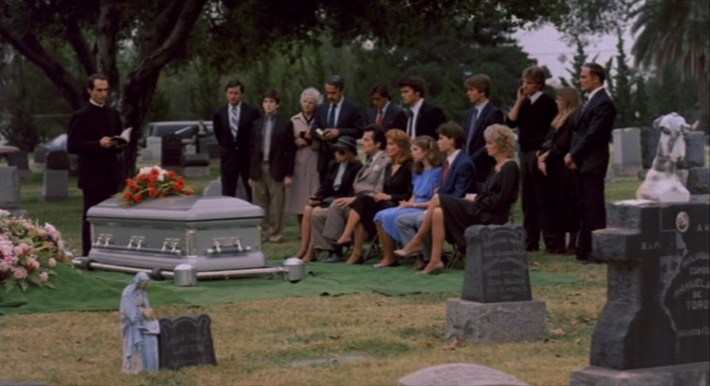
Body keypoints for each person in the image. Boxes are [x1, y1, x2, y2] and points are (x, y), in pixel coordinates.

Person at [396, 124, 520, 275]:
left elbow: (500, 201)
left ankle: (417, 241)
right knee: (437, 213)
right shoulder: (495, 167)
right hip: (480, 208)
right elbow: (490, 195)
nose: (486, 147)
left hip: (490, 215)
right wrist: (477, 198)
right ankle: (435, 261)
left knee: (437, 198)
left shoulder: (510, 167)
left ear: (501, 145)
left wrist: (476, 198)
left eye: (490, 143)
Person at [395, 122, 476, 270]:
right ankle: (423, 254)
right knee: (402, 220)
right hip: (439, 205)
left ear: (451, 140)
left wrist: (437, 200)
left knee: (422, 218)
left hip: (456, 209)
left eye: (441, 138)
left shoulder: (464, 163)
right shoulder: (448, 162)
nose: (438, 142)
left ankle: (426, 253)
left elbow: (459, 194)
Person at [311, 125, 391, 263]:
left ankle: (337, 248)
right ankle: (328, 248)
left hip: (370, 203)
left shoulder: (385, 161)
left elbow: (379, 188)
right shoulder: (369, 160)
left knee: (337, 205)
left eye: (367, 140)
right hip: (357, 200)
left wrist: (354, 198)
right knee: (317, 214)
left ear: (378, 143)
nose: (363, 143)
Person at [564, 62, 617, 264]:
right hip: (582, 163)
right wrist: (573, 156)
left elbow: (593, 135)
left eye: (584, 77)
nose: (580, 80)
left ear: (596, 78)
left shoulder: (604, 103)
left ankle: (597, 251)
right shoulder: (589, 102)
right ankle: (584, 250)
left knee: (593, 207)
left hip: (592, 163)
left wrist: (574, 155)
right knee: (585, 206)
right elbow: (578, 131)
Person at [67, 74, 125, 257]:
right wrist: (97, 144)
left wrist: (119, 144)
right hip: (92, 174)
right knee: (91, 216)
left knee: (111, 215)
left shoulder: (112, 113)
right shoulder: (81, 115)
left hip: (110, 172)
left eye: (106, 90)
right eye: (99, 90)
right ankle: (89, 253)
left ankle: (109, 251)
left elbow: (119, 140)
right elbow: (72, 145)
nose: (103, 94)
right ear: (90, 91)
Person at [335, 129, 413, 264]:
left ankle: (349, 238)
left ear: (401, 146)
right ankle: (357, 251)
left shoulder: (409, 166)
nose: (387, 147)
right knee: (361, 204)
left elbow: (409, 193)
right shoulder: (389, 165)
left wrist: (390, 197)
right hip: (384, 201)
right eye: (387, 144)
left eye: (391, 144)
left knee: (365, 204)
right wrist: (380, 196)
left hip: (399, 203)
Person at [506, 66, 558, 253]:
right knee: (528, 198)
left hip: (538, 152)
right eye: (524, 82)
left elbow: (553, 130)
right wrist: (519, 100)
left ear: (538, 84)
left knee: (543, 197)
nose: (525, 86)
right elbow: (510, 121)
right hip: (525, 151)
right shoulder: (525, 103)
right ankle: (530, 240)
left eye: (529, 83)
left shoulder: (548, 103)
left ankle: (551, 241)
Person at [373, 135, 443, 268]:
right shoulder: (418, 171)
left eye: (415, 149)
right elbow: (414, 195)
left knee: (391, 216)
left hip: (425, 206)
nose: (412, 153)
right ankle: (389, 256)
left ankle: (420, 254)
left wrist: (413, 204)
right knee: (380, 215)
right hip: (415, 204)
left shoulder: (438, 172)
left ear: (427, 151)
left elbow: (434, 199)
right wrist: (407, 204)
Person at [295, 136, 363, 261]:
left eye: (341, 151)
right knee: (308, 208)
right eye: (336, 151)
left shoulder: (357, 167)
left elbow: (351, 191)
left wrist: (325, 200)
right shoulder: (334, 165)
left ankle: (315, 251)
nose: (337, 154)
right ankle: (304, 248)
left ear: (349, 152)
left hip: (343, 201)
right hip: (330, 199)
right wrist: (316, 197)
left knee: (316, 211)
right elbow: (326, 185)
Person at [537, 87, 583, 254]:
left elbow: (563, 143)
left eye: (559, 99)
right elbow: (548, 140)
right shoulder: (557, 119)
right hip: (554, 168)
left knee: (569, 205)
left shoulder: (572, 118)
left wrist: (547, 154)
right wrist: (541, 154)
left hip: (564, 168)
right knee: (556, 206)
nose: (557, 102)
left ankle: (572, 241)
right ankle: (558, 242)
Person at [248, 90, 296, 243]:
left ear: (277, 105)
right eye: (266, 102)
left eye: (271, 102)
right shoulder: (256, 124)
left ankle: (276, 233)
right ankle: (262, 233)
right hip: (258, 166)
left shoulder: (285, 124)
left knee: (277, 202)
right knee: (259, 202)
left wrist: (289, 174)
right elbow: (252, 149)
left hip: (277, 167)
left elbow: (290, 150)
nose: (268, 105)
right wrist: (251, 173)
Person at [212, 79, 262, 201]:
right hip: (228, 157)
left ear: (241, 94)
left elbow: (256, 134)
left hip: (247, 157)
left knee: (251, 190)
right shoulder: (219, 113)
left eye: (236, 93)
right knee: (228, 191)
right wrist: (227, 147)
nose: (233, 96)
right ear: (226, 94)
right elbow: (219, 134)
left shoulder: (252, 111)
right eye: (230, 93)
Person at [312, 75, 365, 184]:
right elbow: (314, 128)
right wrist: (320, 134)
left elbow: (359, 131)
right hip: (325, 158)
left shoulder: (352, 108)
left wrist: (339, 132)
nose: (330, 96)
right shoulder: (322, 108)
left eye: (333, 93)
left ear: (341, 91)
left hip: (345, 156)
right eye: (328, 93)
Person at [285, 87, 323, 231]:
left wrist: (312, 139)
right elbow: (287, 143)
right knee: (299, 198)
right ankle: (302, 229)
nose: (307, 105)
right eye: (305, 102)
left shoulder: (319, 121)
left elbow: (323, 140)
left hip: (315, 160)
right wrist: (295, 142)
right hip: (299, 162)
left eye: (311, 102)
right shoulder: (294, 120)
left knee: (314, 196)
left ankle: (314, 229)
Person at [462, 74, 504, 186]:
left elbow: (492, 141)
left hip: (484, 166)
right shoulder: (470, 113)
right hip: (469, 166)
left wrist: (472, 159)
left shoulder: (494, 113)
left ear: (482, 92)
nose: (468, 93)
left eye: (471, 90)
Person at [120, 272, 151, 374]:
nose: (144, 286)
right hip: (131, 323)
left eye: (146, 284)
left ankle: (140, 366)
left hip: (141, 320)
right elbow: (127, 308)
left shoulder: (142, 292)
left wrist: (147, 313)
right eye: (143, 283)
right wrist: (134, 318)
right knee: (131, 343)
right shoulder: (128, 292)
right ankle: (130, 367)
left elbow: (146, 306)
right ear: (138, 282)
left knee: (141, 344)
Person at [140, 308, 160, 373]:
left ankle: (154, 369)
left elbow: (157, 331)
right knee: (147, 353)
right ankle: (147, 368)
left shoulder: (155, 322)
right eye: (145, 314)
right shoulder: (144, 322)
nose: (146, 316)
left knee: (153, 353)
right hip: (146, 339)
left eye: (148, 314)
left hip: (152, 339)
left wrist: (149, 331)